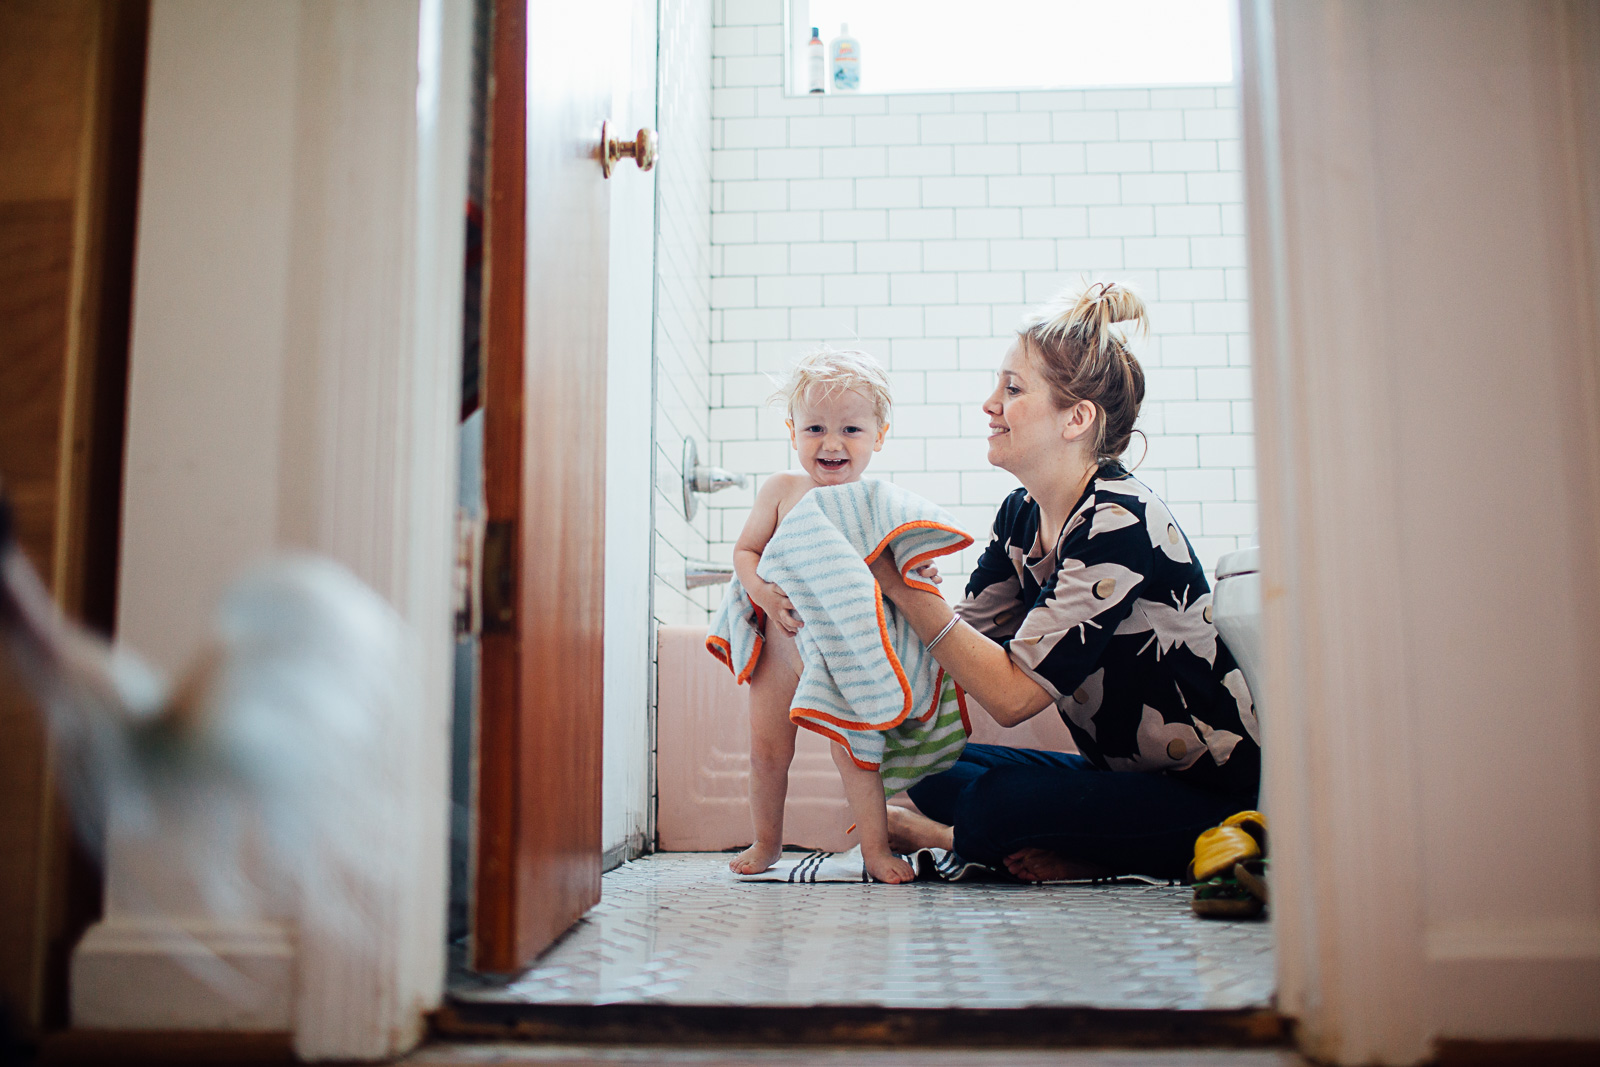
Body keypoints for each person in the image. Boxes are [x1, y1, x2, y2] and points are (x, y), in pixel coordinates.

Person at [867, 282, 1261, 882]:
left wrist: (905, 591)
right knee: (922, 757)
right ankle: (1069, 848)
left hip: (1210, 795)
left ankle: (952, 838)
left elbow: (1012, 697)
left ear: (1076, 418)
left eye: (1013, 388)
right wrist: (854, 603)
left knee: (998, 804)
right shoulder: (1021, 515)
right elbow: (959, 647)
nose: (989, 404)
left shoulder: (1118, 522)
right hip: (1120, 782)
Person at [726, 347, 919, 884]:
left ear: (879, 436)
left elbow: (904, 565)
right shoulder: (782, 490)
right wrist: (762, 592)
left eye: (851, 430)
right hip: (780, 649)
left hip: (840, 653)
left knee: (856, 754)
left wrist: (920, 576)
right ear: (793, 432)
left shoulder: (878, 503)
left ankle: (875, 850)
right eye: (815, 427)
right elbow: (745, 552)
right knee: (767, 753)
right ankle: (767, 841)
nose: (831, 443)